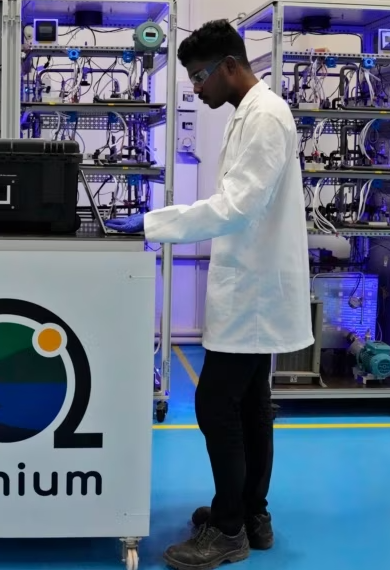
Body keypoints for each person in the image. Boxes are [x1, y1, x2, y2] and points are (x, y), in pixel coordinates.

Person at [104, 19, 314, 570]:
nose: (195, 89)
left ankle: (227, 529)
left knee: (215, 403)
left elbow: (235, 206)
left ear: (229, 66)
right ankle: (250, 514)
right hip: (252, 284)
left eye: (199, 77)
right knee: (248, 407)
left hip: (255, 291)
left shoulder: (265, 117)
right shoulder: (252, 113)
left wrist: (152, 223)